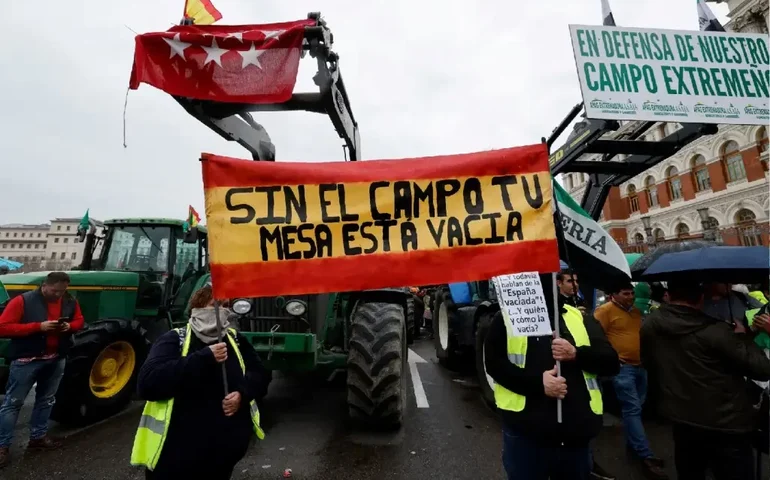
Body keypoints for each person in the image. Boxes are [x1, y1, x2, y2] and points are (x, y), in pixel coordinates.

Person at [485, 274, 619, 480]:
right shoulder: (506, 319)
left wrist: (576, 354)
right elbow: (494, 365)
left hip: (575, 436)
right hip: (526, 436)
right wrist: (539, 384)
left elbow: (611, 363)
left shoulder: (578, 317)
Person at [131, 285, 268, 479]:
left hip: (222, 458)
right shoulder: (174, 339)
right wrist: (204, 358)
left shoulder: (236, 340)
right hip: (177, 459)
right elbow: (147, 384)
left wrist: (242, 394)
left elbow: (260, 374)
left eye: (226, 306)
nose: (222, 311)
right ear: (198, 307)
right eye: (215, 305)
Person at [641, 281, 770, 480]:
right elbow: (762, 369)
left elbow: (649, 363)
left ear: (669, 295)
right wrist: (743, 338)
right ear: (701, 298)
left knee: (691, 472)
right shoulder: (717, 331)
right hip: (727, 423)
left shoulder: (650, 324)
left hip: (681, 417)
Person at [0, 272, 85, 468]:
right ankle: (2, 446)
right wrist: (39, 327)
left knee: (46, 399)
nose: (58, 295)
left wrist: (69, 326)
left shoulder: (70, 301)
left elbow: (80, 321)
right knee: (13, 403)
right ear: (44, 285)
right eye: (55, 291)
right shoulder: (22, 301)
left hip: (56, 358)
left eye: (62, 291)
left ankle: (38, 437)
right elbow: (3, 327)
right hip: (26, 360)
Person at [593, 282, 667, 479]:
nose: (631, 297)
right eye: (626, 294)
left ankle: (634, 447)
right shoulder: (604, 311)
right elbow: (596, 337)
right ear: (613, 295)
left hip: (640, 366)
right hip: (623, 369)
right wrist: (611, 356)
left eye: (632, 293)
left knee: (636, 409)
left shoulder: (635, 312)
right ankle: (645, 455)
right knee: (632, 408)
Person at [555, 269, 614, 480]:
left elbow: (609, 360)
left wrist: (577, 353)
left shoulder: (581, 308)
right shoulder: (553, 310)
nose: (575, 285)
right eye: (570, 281)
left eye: (577, 280)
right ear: (558, 283)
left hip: (585, 400)